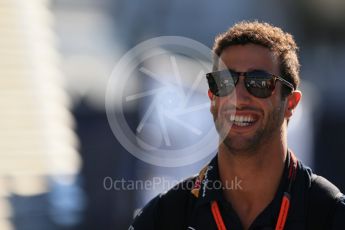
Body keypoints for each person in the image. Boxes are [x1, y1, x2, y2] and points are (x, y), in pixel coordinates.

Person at [128, 21, 345, 230]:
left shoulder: (329, 213)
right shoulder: (165, 215)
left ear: (291, 103)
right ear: (212, 97)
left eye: (259, 83)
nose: (238, 98)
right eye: (225, 82)